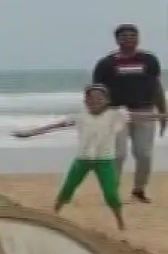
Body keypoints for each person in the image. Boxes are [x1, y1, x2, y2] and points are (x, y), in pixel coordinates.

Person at [11, 84, 168, 230]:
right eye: (90, 99)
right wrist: (29, 133)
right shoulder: (80, 116)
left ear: (106, 101)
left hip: (104, 161)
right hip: (82, 161)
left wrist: (162, 116)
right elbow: (54, 126)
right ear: (85, 101)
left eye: (99, 99)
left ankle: (120, 222)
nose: (94, 102)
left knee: (111, 194)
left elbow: (141, 116)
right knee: (67, 189)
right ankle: (55, 213)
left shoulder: (115, 115)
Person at [90, 23, 165, 203]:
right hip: (116, 112)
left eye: (133, 36)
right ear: (117, 39)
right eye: (124, 36)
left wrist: (163, 111)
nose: (129, 39)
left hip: (145, 112)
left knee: (144, 154)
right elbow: (96, 92)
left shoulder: (149, 60)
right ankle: (112, 191)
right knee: (118, 154)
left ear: (138, 38)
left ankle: (139, 190)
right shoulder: (106, 63)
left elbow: (157, 87)